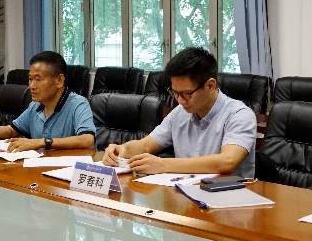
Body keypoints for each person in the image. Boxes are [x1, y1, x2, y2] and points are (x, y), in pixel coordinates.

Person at [104, 47, 257, 178]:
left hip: (228, 197)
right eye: (175, 93)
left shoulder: (239, 115)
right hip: (185, 192)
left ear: (210, 86)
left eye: (187, 94)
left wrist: (163, 164)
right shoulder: (180, 113)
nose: (180, 101)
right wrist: (123, 149)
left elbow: (227, 161)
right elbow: (146, 145)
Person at [0, 51, 94, 151]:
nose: (32, 86)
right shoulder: (35, 106)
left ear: (59, 80)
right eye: (30, 79)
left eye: (38, 79)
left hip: (69, 167)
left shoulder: (78, 104)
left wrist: (43, 142)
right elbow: (12, 130)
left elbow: (88, 140)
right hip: (39, 165)